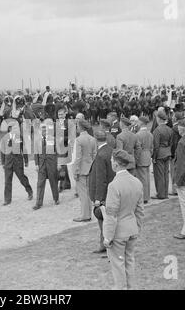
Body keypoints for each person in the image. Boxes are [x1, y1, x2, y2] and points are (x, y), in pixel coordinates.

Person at [103, 149, 144, 290]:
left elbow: (111, 215)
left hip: (118, 233)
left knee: (118, 265)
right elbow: (140, 210)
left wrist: (107, 237)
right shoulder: (137, 182)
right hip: (132, 229)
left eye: (111, 160)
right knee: (130, 262)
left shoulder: (114, 186)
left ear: (116, 163)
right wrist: (137, 228)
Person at [89, 130, 115, 254]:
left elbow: (101, 179)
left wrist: (98, 198)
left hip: (103, 194)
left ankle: (105, 245)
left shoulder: (100, 155)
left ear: (95, 140)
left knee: (103, 220)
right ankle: (105, 245)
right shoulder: (111, 150)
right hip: (111, 190)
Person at [0, 121, 33, 206]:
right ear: (9, 129)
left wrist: (26, 161)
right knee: (7, 181)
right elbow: (2, 151)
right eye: (13, 128)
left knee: (22, 177)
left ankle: (29, 191)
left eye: (16, 128)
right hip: (8, 162)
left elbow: (24, 149)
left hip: (18, 161)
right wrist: (3, 162)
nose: (15, 129)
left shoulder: (20, 137)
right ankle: (7, 199)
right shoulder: (4, 138)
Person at [72, 119, 97, 222]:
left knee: (83, 194)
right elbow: (95, 154)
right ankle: (87, 214)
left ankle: (85, 215)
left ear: (80, 127)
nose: (76, 128)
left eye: (77, 126)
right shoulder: (92, 139)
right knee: (88, 193)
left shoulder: (78, 140)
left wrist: (75, 171)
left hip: (82, 169)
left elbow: (77, 158)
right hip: (90, 167)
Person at [33, 118, 59, 210]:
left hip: (51, 164)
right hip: (41, 165)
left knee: (53, 181)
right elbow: (36, 153)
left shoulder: (53, 139)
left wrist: (58, 163)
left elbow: (58, 152)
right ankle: (38, 203)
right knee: (40, 183)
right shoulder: (37, 140)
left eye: (45, 128)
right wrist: (36, 164)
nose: (44, 130)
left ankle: (56, 198)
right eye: (42, 129)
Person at [152, 111, 173, 199]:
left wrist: (154, 157)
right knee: (165, 174)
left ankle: (161, 194)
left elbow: (156, 146)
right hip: (167, 152)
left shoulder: (157, 130)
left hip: (160, 153)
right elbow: (171, 143)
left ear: (159, 119)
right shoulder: (169, 129)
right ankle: (165, 193)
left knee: (159, 175)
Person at [135, 116, 153, 204]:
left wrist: (136, 158)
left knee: (142, 178)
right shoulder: (150, 134)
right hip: (148, 155)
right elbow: (152, 147)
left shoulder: (138, 135)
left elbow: (138, 149)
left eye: (138, 122)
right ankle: (147, 196)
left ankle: (144, 197)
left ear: (141, 122)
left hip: (141, 156)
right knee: (146, 177)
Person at [56, 107, 71, 193]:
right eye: (59, 114)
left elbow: (71, 135)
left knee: (61, 164)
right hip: (58, 147)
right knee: (63, 165)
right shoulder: (57, 123)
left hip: (65, 146)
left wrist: (63, 139)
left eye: (61, 114)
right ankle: (67, 183)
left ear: (65, 114)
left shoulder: (68, 123)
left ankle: (61, 185)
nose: (60, 116)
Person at [169, 112, 184, 196]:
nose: (172, 118)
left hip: (175, 152)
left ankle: (175, 190)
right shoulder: (182, 127)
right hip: (182, 152)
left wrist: (172, 154)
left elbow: (173, 143)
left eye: (173, 116)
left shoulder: (174, 129)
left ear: (175, 118)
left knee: (174, 171)